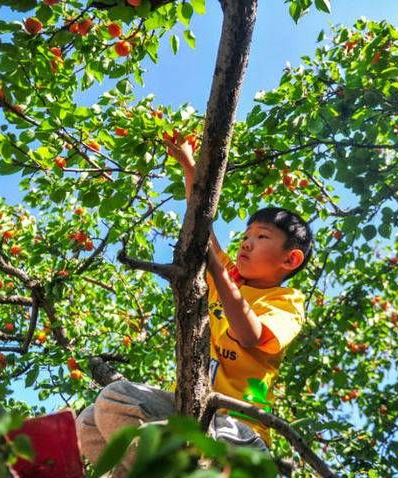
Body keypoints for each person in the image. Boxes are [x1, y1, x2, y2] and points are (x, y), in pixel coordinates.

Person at [75, 134, 313, 475]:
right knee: (90, 423)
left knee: (116, 400)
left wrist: (216, 269)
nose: (246, 243)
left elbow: (250, 334)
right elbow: (201, 222)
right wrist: (190, 165)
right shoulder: (229, 278)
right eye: (246, 236)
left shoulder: (286, 300)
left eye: (261, 237)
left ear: (290, 259)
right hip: (197, 415)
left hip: (239, 432)